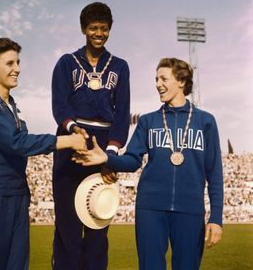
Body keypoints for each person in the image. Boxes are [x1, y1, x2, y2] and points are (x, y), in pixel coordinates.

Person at [74, 57, 224, 270]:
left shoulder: (205, 122)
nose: (157, 84)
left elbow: (214, 172)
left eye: (163, 78)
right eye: (156, 79)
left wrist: (216, 217)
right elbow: (132, 160)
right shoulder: (148, 121)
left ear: (181, 81)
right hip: (150, 209)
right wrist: (107, 158)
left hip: (190, 210)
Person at [0, 38, 87, 270]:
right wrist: (67, 140)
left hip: (18, 196)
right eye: (9, 63)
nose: (17, 68)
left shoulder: (12, 107)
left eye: (17, 62)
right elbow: (15, 143)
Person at [51, 2, 130, 269]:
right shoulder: (66, 62)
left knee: (98, 224)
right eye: (93, 28)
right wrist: (73, 129)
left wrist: (110, 156)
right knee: (67, 229)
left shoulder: (120, 66)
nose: (99, 33)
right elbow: (59, 105)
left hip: (102, 149)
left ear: (110, 30)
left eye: (104, 29)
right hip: (71, 145)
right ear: (84, 29)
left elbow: (122, 115)